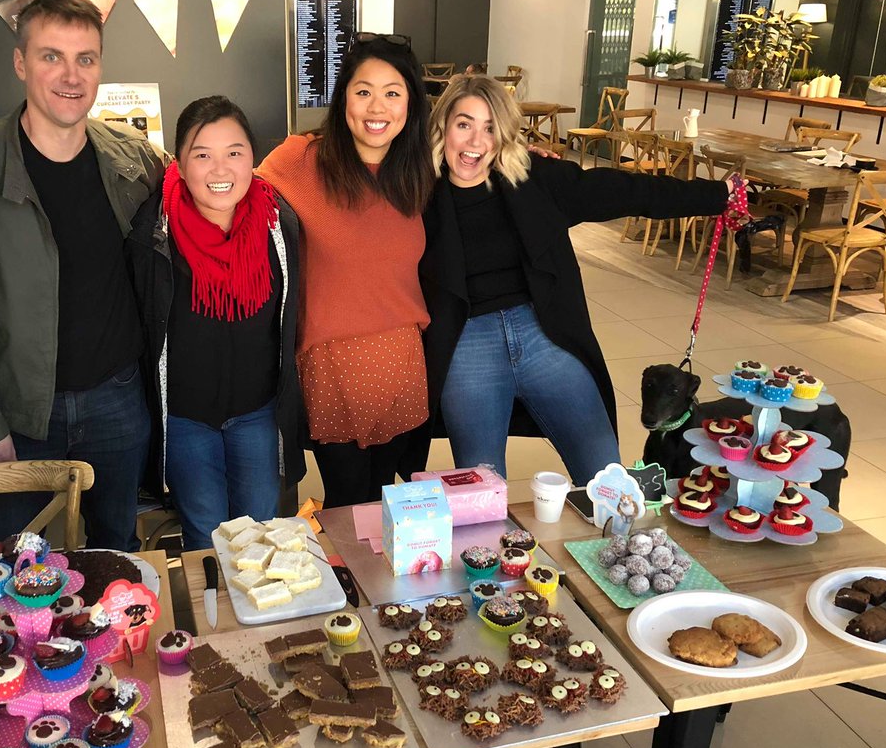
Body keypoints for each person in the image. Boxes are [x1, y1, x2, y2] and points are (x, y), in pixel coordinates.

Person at [409, 74, 733, 485]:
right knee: (481, 494)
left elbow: (627, 190)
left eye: (490, 127)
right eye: (464, 124)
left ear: (505, 134)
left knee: (609, 481)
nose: (476, 141)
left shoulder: (536, 179)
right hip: (467, 343)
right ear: (443, 127)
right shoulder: (415, 191)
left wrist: (717, 195)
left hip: (545, 334)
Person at [0, 0, 163, 552]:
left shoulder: (135, 161)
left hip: (118, 399)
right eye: (51, 56)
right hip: (20, 411)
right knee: (12, 561)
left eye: (86, 58)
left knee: (118, 555)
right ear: (20, 63)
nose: (71, 76)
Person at [258, 33, 435, 508]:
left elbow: (484, 170)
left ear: (411, 104)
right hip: (332, 362)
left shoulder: (419, 168)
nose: (378, 106)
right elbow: (232, 190)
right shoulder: (301, 159)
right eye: (363, 91)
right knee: (348, 503)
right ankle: (348, 584)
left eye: (393, 92)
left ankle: (383, 583)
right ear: (343, 99)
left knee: (385, 502)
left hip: (402, 359)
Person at [126, 96, 305, 550]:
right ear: (180, 165)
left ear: (253, 159)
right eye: (202, 155)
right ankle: (212, 623)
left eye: (234, 152)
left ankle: (262, 624)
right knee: (204, 538)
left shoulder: (278, 225)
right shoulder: (153, 232)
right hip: (186, 421)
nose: (220, 169)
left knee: (262, 538)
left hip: (257, 414)